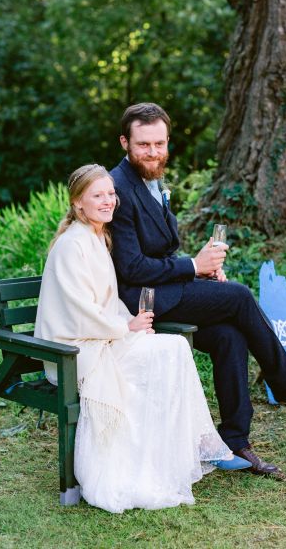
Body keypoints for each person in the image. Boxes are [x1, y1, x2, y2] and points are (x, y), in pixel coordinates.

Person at [110, 102, 286, 476]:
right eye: (144, 145)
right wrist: (192, 266)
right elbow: (131, 267)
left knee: (229, 336)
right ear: (125, 142)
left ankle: (235, 441)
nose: (153, 153)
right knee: (238, 295)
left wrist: (198, 271)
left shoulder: (152, 180)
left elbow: (162, 250)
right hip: (142, 300)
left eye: (160, 144)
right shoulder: (118, 188)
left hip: (167, 288)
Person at [34, 164, 252, 514]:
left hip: (101, 338)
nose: (108, 201)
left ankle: (188, 449)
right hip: (75, 350)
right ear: (78, 203)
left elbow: (107, 302)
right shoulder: (72, 245)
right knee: (163, 353)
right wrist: (125, 328)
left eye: (110, 194)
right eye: (98, 195)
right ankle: (182, 451)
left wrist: (130, 320)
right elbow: (78, 311)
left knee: (173, 347)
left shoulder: (97, 237)